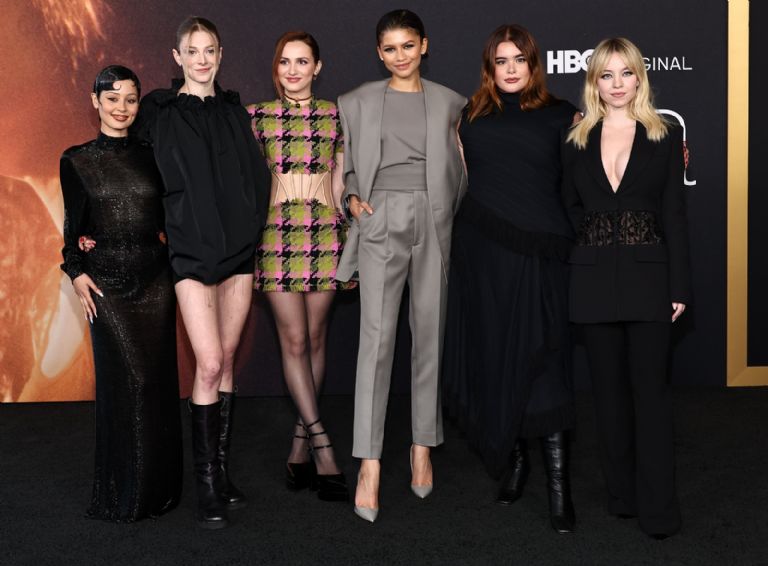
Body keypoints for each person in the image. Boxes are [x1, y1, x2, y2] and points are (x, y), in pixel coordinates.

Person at [442, 24, 582, 533]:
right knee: (497, 354)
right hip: (483, 254)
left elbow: (584, 180)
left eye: (519, 59)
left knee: (545, 359)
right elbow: (452, 176)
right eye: (501, 61)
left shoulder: (563, 115)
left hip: (542, 255)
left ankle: (559, 489)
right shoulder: (470, 116)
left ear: (533, 64)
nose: (510, 69)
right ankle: (516, 461)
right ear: (489, 67)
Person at [133, 17, 270, 529]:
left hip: (238, 252)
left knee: (227, 360)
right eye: (192, 51)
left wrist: (251, 226)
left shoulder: (234, 111)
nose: (202, 59)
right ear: (177, 57)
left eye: (209, 50)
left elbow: (254, 175)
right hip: (190, 253)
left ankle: (222, 474)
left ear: (220, 54)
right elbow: (132, 172)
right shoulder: (159, 111)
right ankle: (206, 485)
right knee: (208, 364)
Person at [335, 9, 466, 522]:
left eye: (408, 45)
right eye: (390, 48)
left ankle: (421, 447)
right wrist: (351, 198)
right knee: (376, 341)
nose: (400, 56)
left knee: (429, 335)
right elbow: (347, 166)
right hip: (380, 217)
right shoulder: (356, 101)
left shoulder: (451, 102)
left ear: (424, 45)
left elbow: (463, 167)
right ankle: (368, 464)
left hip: (434, 219)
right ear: (379, 53)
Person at [561, 37, 691, 539]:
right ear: (594, 82)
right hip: (593, 279)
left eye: (626, 73)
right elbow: (570, 208)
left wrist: (679, 285)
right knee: (609, 398)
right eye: (606, 75)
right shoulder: (575, 139)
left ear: (640, 77)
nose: (617, 84)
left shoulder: (664, 135)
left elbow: (674, 214)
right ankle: (622, 496)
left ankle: (659, 510)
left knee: (651, 397)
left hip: (649, 278)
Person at [59, 65, 183, 522]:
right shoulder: (76, 160)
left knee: (157, 383)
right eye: (112, 99)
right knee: (129, 382)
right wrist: (75, 271)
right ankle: (124, 492)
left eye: (130, 99)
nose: (122, 108)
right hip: (106, 286)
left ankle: (160, 490)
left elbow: (173, 216)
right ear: (95, 101)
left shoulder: (154, 154)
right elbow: (73, 226)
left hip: (156, 282)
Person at [247, 31, 351, 502]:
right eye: (285, 62)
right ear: (276, 67)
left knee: (315, 338)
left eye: (302, 61)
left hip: (325, 233)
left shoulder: (336, 115)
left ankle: (299, 442)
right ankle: (322, 442)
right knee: (293, 340)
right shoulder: (255, 117)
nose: (293, 70)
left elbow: (343, 178)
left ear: (317, 67)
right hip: (275, 235)